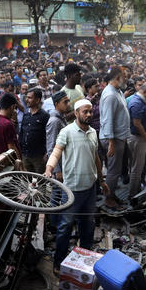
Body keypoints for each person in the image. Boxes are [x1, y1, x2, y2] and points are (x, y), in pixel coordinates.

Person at [45, 98, 108, 267]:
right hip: (71, 190)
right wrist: (49, 169)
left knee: (87, 225)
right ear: (76, 113)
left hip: (90, 188)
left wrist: (101, 180)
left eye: (90, 111)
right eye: (85, 111)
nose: (88, 114)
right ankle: (59, 263)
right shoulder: (67, 131)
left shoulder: (93, 132)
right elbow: (56, 152)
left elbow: (95, 157)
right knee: (65, 226)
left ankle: (84, 261)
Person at [99, 67, 130, 208]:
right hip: (113, 139)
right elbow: (107, 120)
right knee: (113, 171)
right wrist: (111, 142)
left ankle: (112, 194)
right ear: (117, 77)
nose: (127, 79)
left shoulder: (117, 91)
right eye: (125, 76)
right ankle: (108, 199)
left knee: (116, 170)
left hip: (118, 138)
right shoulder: (110, 95)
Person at [126, 83, 146, 197]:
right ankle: (133, 194)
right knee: (137, 168)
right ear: (145, 91)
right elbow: (137, 123)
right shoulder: (137, 103)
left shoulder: (140, 101)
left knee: (137, 166)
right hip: (139, 138)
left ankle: (136, 189)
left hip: (140, 138)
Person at [19, 88, 49, 173]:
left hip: (39, 156)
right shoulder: (26, 115)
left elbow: (48, 135)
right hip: (25, 155)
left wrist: (46, 153)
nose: (27, 100)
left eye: (30, 98)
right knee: (27, 180)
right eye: (26, 97)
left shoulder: (44, 116)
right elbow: (22, 133)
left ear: (37, 100)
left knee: (40, 181)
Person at [0, 93, 20, 159]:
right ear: (12, 107)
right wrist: (20, 163)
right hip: (10, 160)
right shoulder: (7, 124)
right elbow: (12, 148)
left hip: (1, 157)